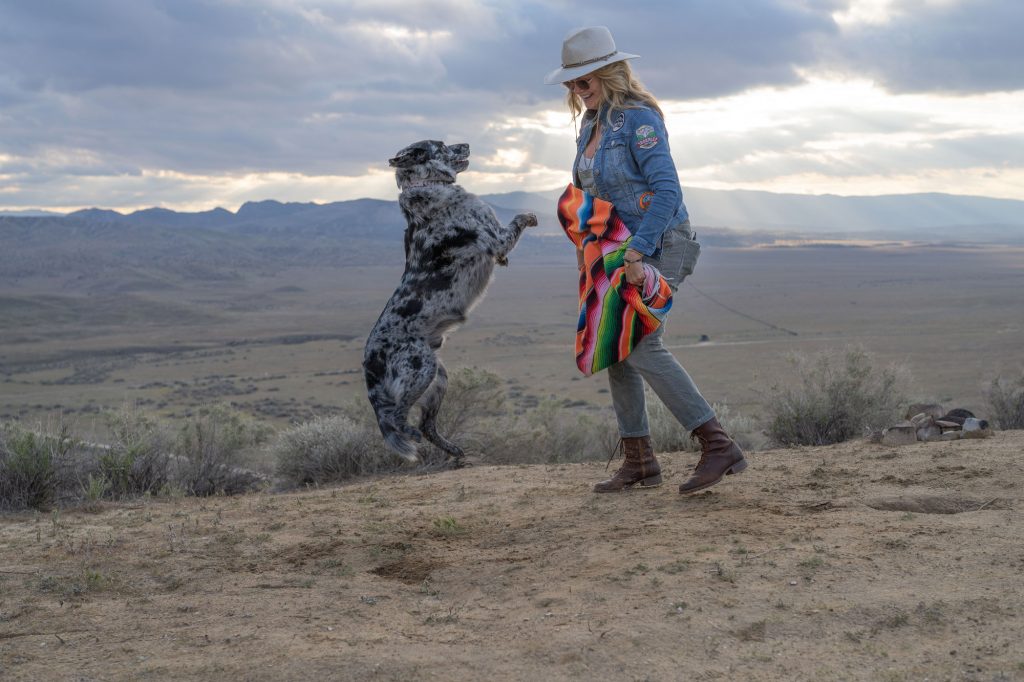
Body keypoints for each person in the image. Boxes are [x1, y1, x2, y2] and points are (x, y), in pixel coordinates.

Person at [544, 26, 748, 494]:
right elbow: (589, 195)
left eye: (583, 81)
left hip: (660, 244)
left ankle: (717, 444)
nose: (576, 91)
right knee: (616, 348)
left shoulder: (639, 120)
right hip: (615, 253)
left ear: (608, 73)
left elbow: (668, 191)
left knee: (639, 346)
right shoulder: (591, 126)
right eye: (571, 84)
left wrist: (637, 252)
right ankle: (639, 462)